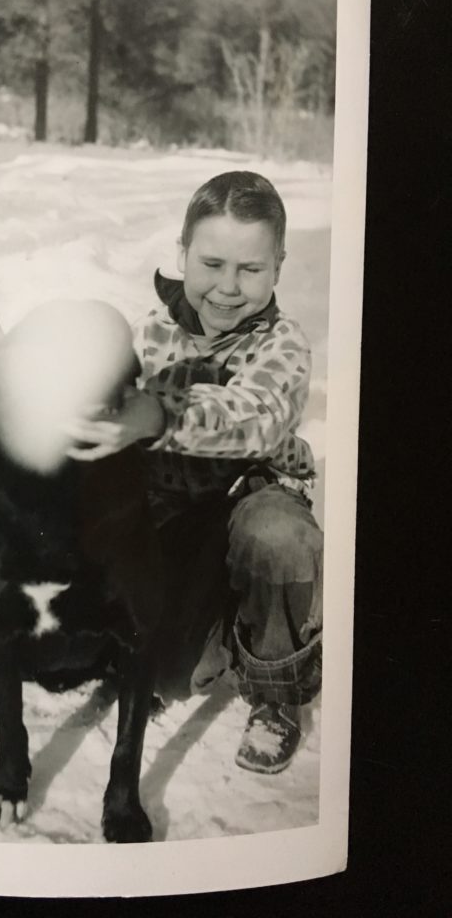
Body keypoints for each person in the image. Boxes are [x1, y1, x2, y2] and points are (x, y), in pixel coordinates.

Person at [65, 171, 322, 775]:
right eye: (211, 264)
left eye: (250, 269)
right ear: (182, 254)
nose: (228, 288)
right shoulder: (150, 329)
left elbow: (254, 417)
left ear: (278, 267)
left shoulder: (284, 344)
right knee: (172, 675)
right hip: (172, 505)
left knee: (280, 538)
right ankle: (198, 630)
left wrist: (157, 412)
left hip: (248, 493)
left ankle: (275, 688)